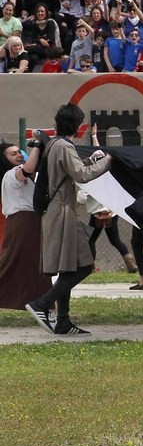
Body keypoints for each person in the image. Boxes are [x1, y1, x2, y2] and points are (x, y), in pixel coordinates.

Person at [26, 104, 113, 336]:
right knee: (84, 265)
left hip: (56, 211)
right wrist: (107, 161)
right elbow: (81, 175)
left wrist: (90, 159)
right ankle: (41, 304)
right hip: (63, 212)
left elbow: (70, 171)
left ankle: (63, 321)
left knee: (67, 268)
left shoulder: (54, 144)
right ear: (78, 125)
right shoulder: (65, 146)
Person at [0, 139, 53, 313]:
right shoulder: (12, 174)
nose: (18, 155)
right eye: (12, 153)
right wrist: (37, 148)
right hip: (23, 222)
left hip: (29, 221)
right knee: (12, 261)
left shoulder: (27, 178)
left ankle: (39, 301)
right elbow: (28, 168)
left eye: (19, 152)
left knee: (32, 264)